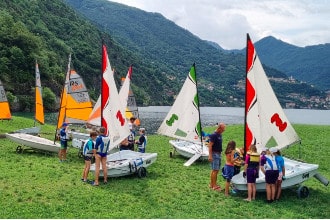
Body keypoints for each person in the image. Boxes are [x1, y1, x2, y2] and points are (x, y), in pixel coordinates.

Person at [208, 122, 226, 192]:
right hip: (214, 154)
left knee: (215, 170)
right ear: (219, 128)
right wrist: (210, 155)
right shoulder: (214, 135)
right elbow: (210, 145)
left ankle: (212, 184)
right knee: (215, 170)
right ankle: (214, 186)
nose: (224, 131)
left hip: (218, 154)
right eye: (223, 129)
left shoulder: (219, 134)